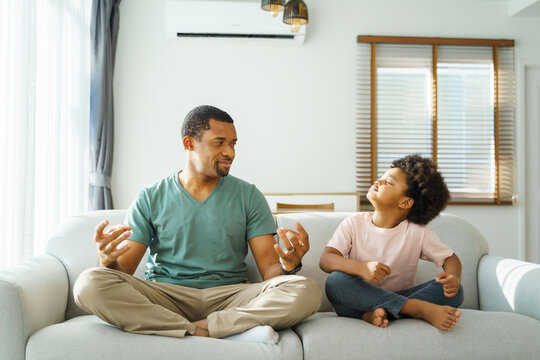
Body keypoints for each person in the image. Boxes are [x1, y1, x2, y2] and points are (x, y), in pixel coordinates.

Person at [74, 105, 321, 341]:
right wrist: (106, 260)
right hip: (166, 296)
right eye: (219, 143)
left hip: (229, 296)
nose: (230, 153)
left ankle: (197, 328)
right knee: (88, 283)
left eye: (233, 144)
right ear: (189, 143)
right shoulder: (151, 197)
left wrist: (289, 266)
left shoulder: (248, 195)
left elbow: (269, 271)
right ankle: (212, 330)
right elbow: (123, 272)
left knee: (306, 291)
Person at [319, 154, 463, 331]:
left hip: (398, 296)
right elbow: (326, 260)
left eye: (388, 182)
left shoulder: (417, 232)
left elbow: (450, 258)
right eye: (380, 178)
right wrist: (360, 268)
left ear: (405, 202)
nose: (377, 182)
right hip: (358, 299)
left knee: (456, 292)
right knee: (335, 282)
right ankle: (415, 309)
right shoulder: (353, 223)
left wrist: (453, 277)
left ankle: (378, 314)